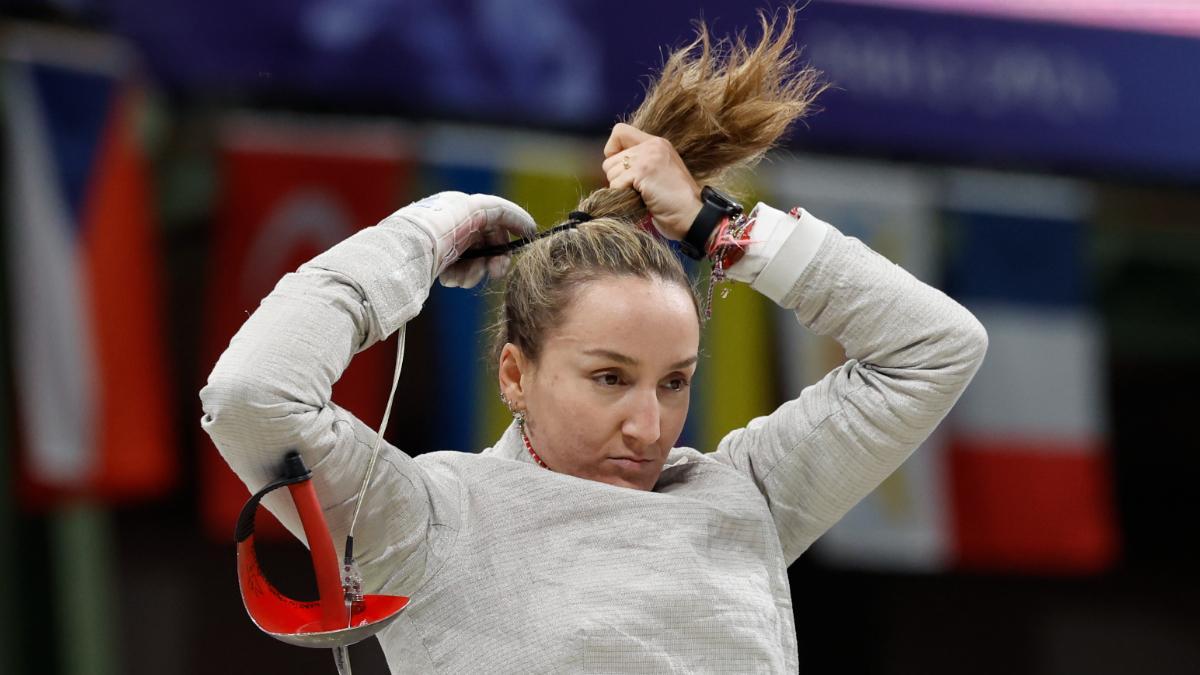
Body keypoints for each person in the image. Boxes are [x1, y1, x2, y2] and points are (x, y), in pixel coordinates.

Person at [201, 11, 987, 673]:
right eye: (610, 378)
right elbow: (252, 395)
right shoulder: (430, 516)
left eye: (674, 382)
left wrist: (723, 228)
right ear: (515, 373)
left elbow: (935, 347)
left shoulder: (746, 497)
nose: (648, 426)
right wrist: (423, 232)